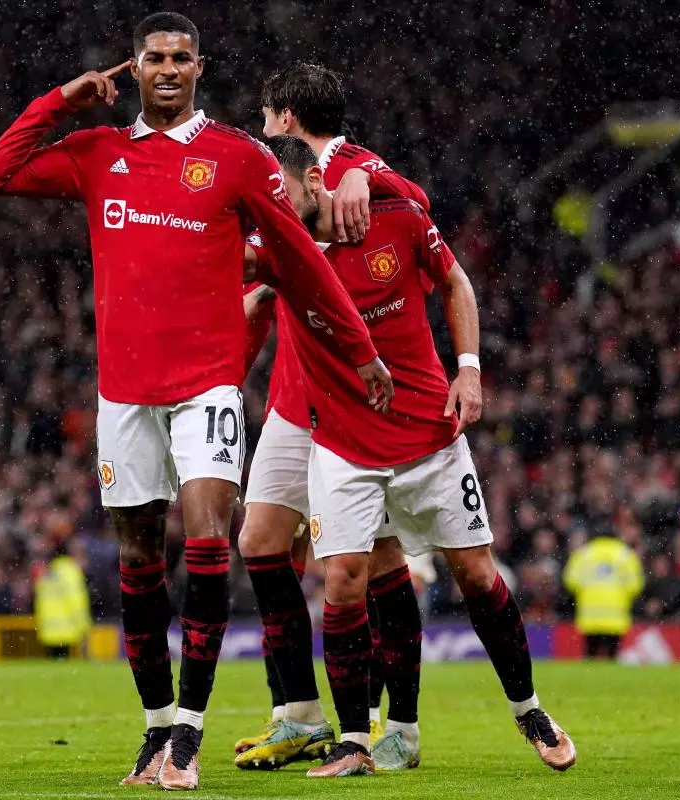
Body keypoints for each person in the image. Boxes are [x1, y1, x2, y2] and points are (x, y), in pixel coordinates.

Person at [0, 12, 393, 791]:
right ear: (134, 67)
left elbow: (300, 261)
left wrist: (360, 349)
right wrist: (66, 97)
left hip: (207, 385)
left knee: (206, 543)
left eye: (181, 58)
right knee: (137, 560)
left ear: (200, 67)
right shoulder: (98, 153)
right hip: (123, 391)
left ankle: (190, 737)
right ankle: (156, 727)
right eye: (154, 58)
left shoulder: (238, 158)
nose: (168, 69)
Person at [260, 136, 576, 777]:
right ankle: (355, 742)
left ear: (314, 182)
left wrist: (468, 369)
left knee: (477, 573)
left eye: (282, 192)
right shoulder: (280, 253)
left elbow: (454, 281)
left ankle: (529, 709)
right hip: (343, 448)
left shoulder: (397, 219)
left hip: (429, 437)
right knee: (343, 582)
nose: (274, 206)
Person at [235, 62, 432, 772]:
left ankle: (397, 724)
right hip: (294, 395)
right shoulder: (278, 179)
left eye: (264, 117)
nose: (260, 131)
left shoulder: (351, 167)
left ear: (285, 117)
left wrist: (365, 176)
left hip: (350, 398)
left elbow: (416, 201)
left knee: (376, 562)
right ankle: (299, 715)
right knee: (259, 538)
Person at [562, 530, 644, 659]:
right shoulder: (625, 554)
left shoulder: (583, 553)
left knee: (590, 656)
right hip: (616, 614)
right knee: (612, 656)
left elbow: (571, 581)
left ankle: (589, 675)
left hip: (590, 614)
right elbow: (635, 585)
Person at [34, 542, 93, 659]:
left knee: (53, 664)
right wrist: (82, 623)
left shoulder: (49, 572)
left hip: (48, 628)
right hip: (66, 627)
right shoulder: (70, 572)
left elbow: (40, 597)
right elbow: (76, 599)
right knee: (64, 664)